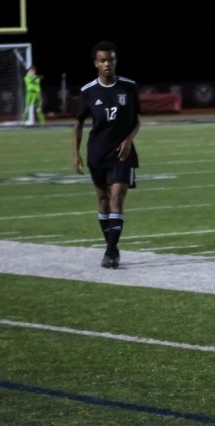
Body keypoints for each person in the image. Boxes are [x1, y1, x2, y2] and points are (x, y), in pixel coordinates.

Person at [72, 41, 141, 269]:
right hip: (97, 153)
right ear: (95, 63)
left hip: (123, 153)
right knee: (102, 201)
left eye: (110, 59)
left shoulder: (129, 87)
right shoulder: (88, 91)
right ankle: (111, 246)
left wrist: (129, 139)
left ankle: (111, 252)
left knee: (117, 199)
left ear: (115, 61)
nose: (107, 64)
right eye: (102, 60)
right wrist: (76, 154)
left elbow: (136, 120)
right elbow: (78, 124)